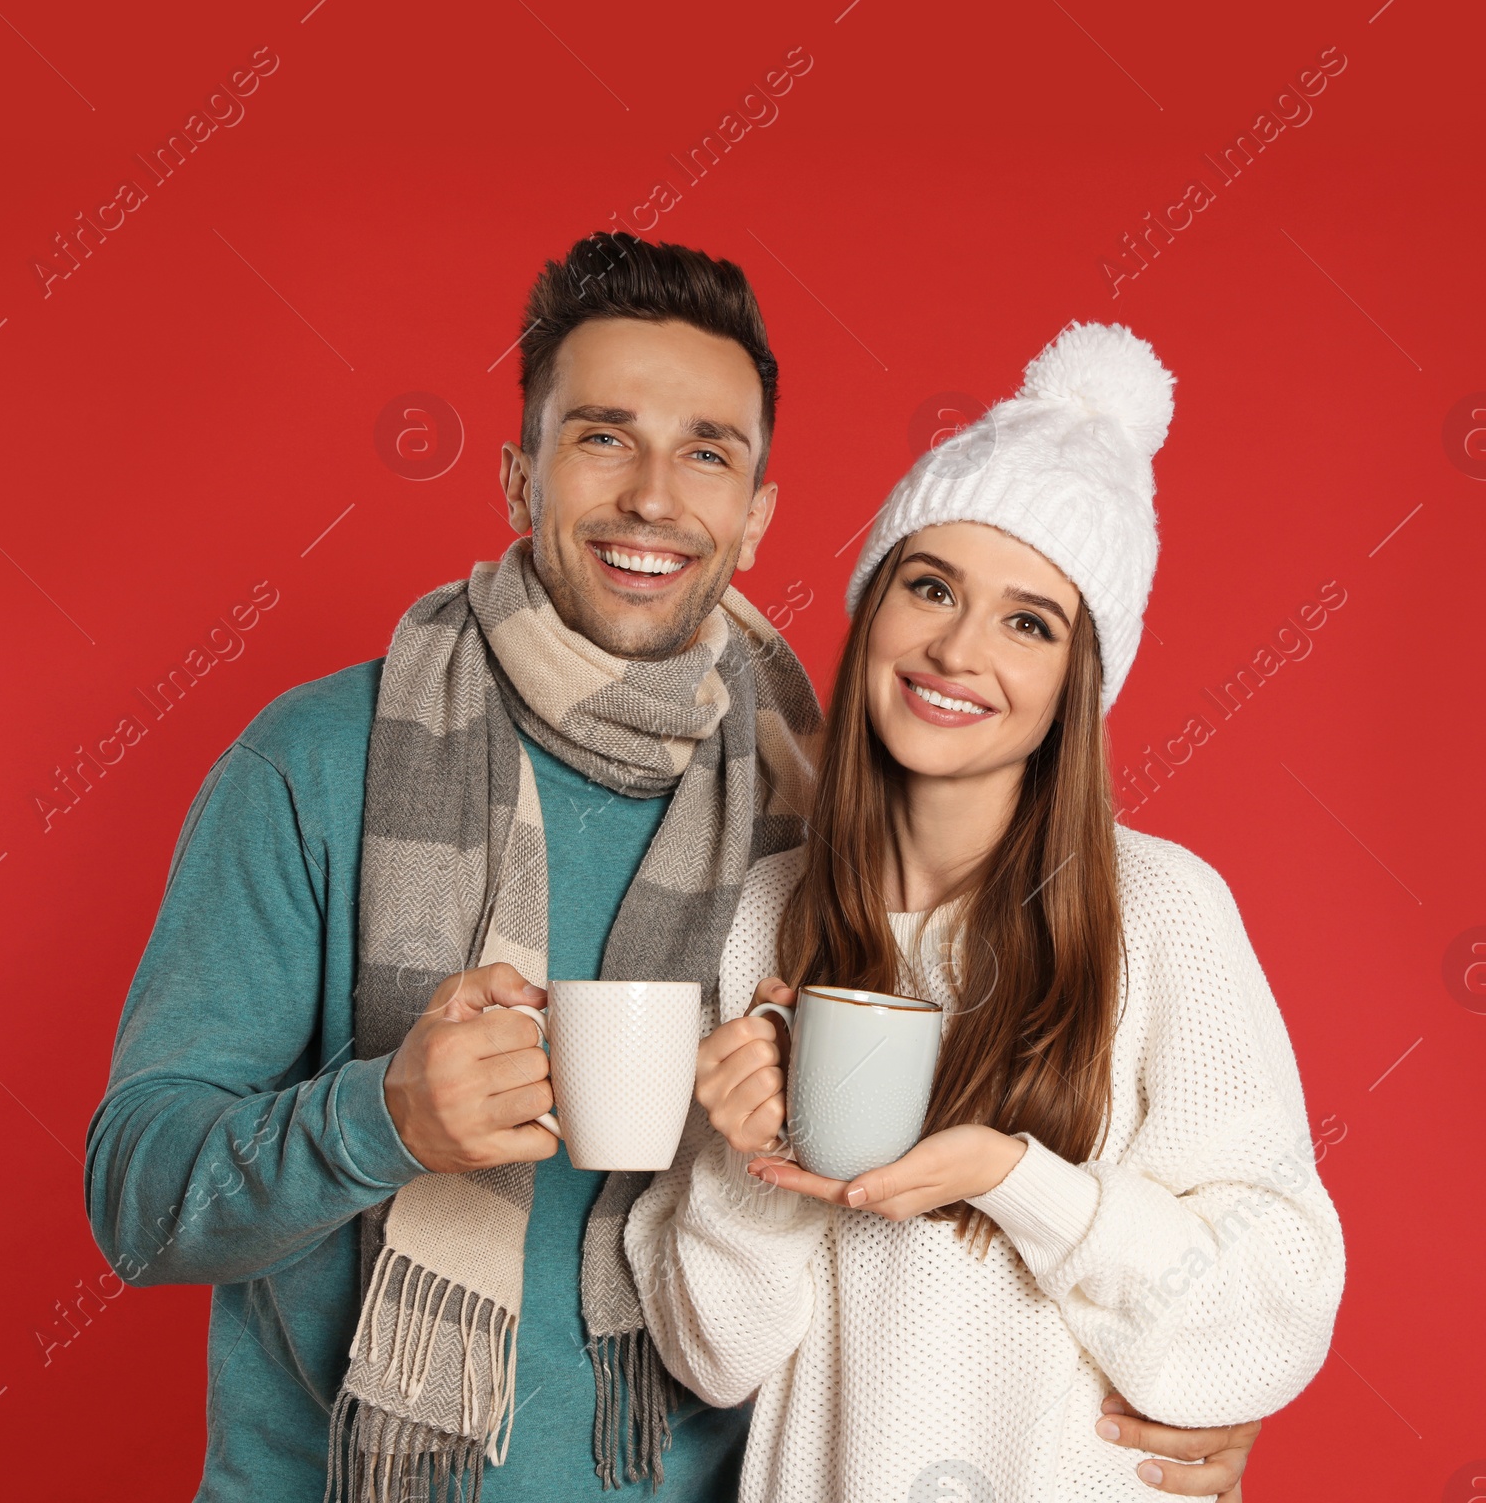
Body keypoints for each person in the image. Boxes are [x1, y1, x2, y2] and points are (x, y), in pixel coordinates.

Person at [86, 237, 1265, 1502]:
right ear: (516, 473)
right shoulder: (316, 763)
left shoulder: (810, 816)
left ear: (756, 510)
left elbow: (876, 1266)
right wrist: (379, 1119)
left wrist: (1174, 1387)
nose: (655, 496)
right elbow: (139, 1202)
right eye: (603, 436)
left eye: (707, 451)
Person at [626, 322, 1344, 1502]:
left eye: (1028, 622)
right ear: (873, 608)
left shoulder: (1160, 911)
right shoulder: (766, 912)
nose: (957, 649)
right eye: (930, 587)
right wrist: (736, 1158)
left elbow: (1263, 1310)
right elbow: (711, 1358)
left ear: (1076, 681)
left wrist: (1016, 1177)